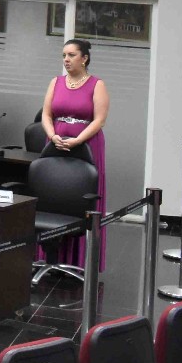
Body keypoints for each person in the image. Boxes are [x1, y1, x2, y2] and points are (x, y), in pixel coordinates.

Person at [42, 37, 109, 269]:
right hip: (56, 144)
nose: (66, 60)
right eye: (64, 55)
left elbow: (100, 120)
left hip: (86, 147)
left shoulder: (97, 84)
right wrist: (52, 136)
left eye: (71, 55)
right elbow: (46, 114)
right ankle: (50, 258)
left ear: (85, 58)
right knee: (54, 194)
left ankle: (80, 261)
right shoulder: (56, 82)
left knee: (81, 199)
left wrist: (78, 140)